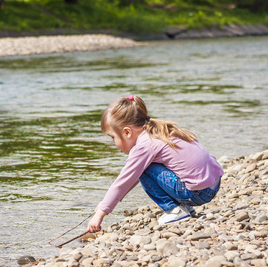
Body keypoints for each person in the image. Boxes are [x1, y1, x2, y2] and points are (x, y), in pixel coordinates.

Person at [87, 95, 223, 232]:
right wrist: (105, 204)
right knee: (144, 167)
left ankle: (174, 210)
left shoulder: (144, 145)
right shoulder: (157, 130)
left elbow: (124, 181)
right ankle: (184, 207)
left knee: (144, 169)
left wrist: (101, 213)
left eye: (112, 137)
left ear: (127, 132)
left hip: (198, 192)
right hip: (213, 184)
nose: (113, 143)